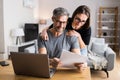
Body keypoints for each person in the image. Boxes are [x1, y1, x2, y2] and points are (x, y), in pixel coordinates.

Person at [38, 7, 87, 72]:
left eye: (64, 22)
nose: (61, 26)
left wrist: (81, 65)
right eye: (59, 22)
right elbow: (42, 59)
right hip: (48, 70)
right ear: (53, 19)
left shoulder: (72, 36)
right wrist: (50, 61)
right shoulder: (43, 36)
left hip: (65, 72)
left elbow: (77, 59)